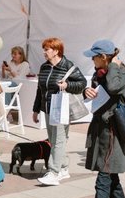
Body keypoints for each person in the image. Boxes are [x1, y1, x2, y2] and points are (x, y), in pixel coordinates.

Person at [70, 40, 125, 198]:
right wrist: (86, 91)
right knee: (111, 178)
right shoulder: (101, 73)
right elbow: (97, 93)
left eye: (94, 56)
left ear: (104, 56)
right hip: (101, 131)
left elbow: (113, 87)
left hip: (113, 133)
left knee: (103, 181)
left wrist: (114, 64)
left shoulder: (121, 73)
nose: (91, 60)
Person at [32, 37, 86, 185]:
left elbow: (82, 84)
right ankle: (63, 168)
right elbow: (40, 90)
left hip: (62, 109)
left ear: (56, 51)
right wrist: (36, 109)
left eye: (46, 49)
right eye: (44, 49)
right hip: (48, 109)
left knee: (59, 141)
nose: (44, 52)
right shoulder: (44, 67)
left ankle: (54, 171)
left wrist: (67, 85)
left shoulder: (68, 66)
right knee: (54, 140)